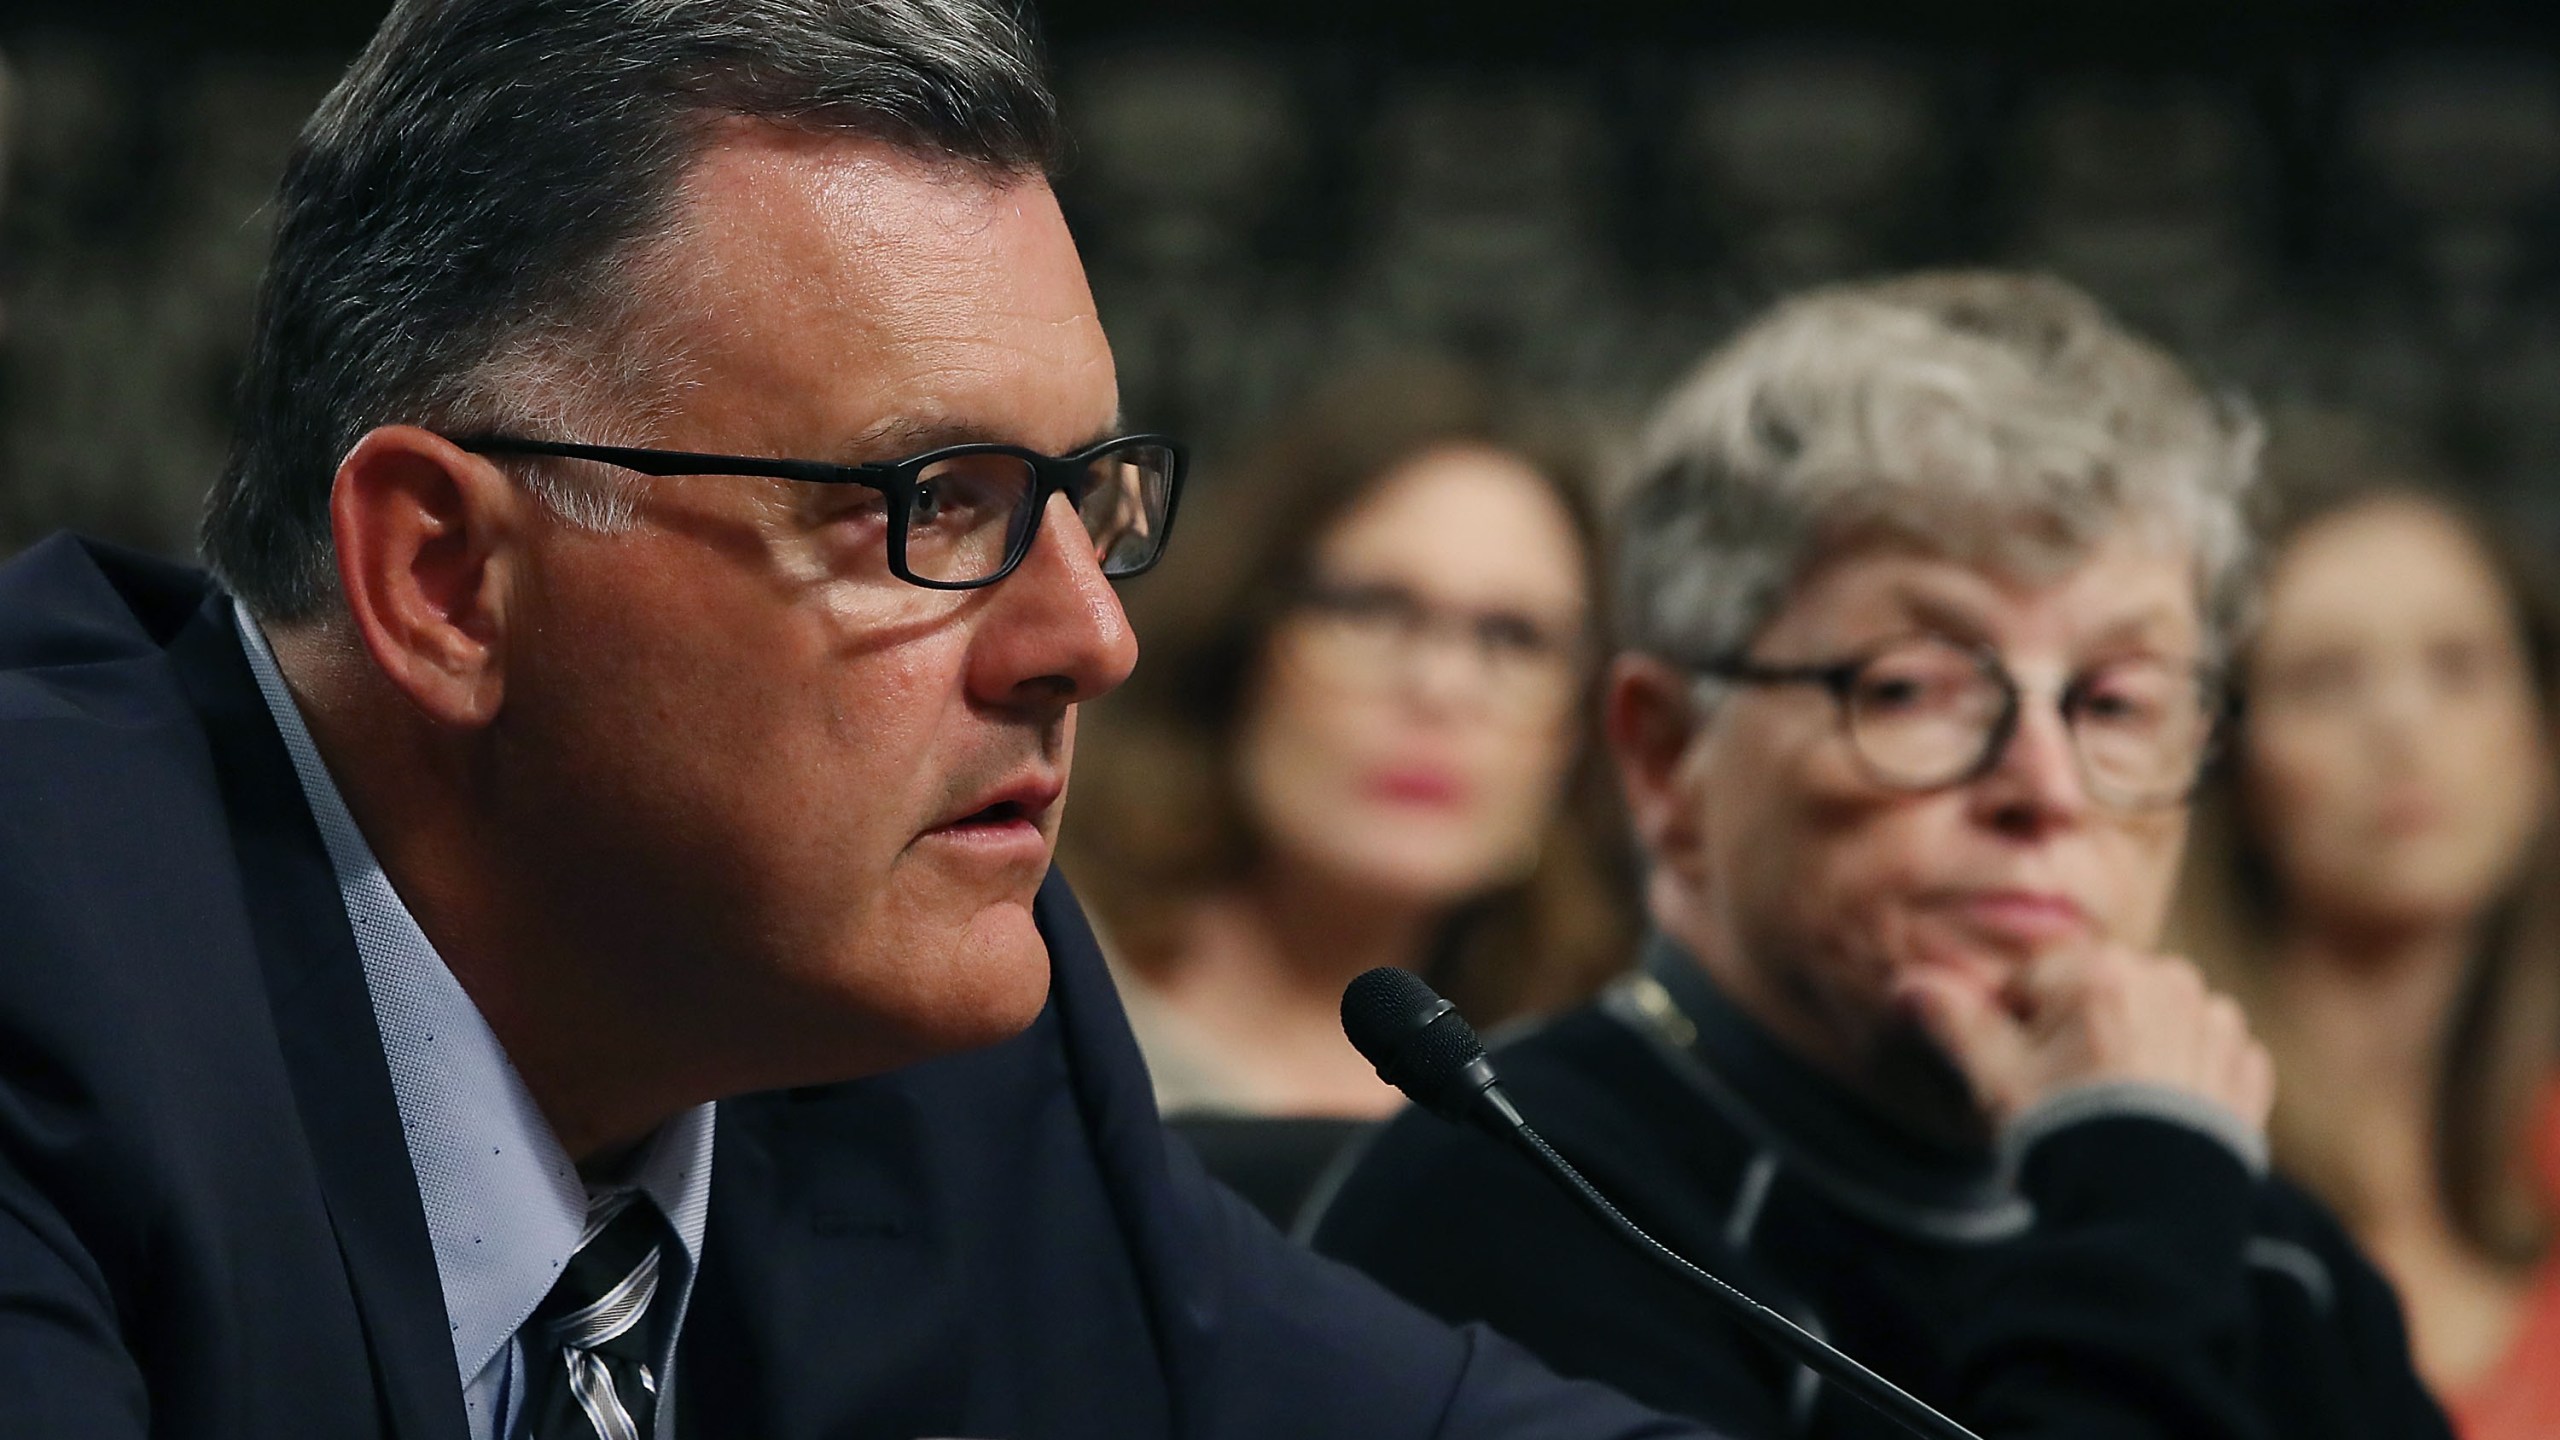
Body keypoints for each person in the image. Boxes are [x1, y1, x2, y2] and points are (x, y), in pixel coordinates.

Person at [0, 3, 1718, 1437]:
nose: (1091, 639)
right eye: (929, 504)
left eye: (1084, 497)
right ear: (450, 580)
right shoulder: (49, 977)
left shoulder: (939, 1049)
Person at [1313, 271, 2453, 1440]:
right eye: (1915, 687)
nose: (2046, 789)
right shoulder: (1511, 1208)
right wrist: (2134, 1222)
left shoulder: (2255, 1241)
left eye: (2115, 702)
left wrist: (2148, 1194)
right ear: (1666, 757)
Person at [1066, 364, 1632, 1122]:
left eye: (1515, 637)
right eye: (1371, 609)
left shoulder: (1585, 1101)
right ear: (1242, 637)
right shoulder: (1043, 991)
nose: (1441, 687)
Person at [2169, 417, 2560, 1440]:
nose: (2401, 723)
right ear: (2230, 765)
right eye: (2324, 677)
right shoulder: (2165, 1181)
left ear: (2539, 739)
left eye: (2458, 666)